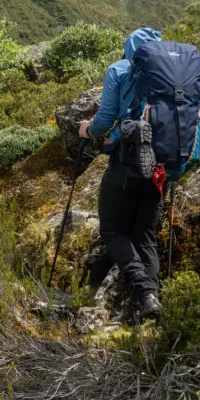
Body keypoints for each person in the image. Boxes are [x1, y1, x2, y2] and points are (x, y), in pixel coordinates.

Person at [79, 27, 164, 320]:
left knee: (113, 229)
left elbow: (104, 120)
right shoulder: (169, 72)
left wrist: (88, 130)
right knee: (145, 234)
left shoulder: (119, 69)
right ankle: (152, 300)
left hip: (126, 163)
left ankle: (144, 292)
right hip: (160, 168)